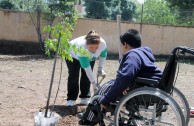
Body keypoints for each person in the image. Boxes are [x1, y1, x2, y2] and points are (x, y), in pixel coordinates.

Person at [79, 29, 163, 125]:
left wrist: (106, 100)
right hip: (151, 85)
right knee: (111, 84)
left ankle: (88, 119)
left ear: (125, 44)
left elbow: (125, 76)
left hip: (142, 88)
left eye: (122, 45)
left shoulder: (133, 55)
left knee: (102, 92)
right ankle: (91, 114)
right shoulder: (143, 53)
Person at [65, 30, 107, 106]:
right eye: (91, 47)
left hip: (89, 57)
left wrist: (100, 68)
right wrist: (94, 83)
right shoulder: (81, 48)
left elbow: (103, 55)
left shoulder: (102, 44)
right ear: (86, 44)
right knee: (74, 75)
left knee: (86, 76)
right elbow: (87, 69)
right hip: (72, 55)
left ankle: (85, 97)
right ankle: (71, 99)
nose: (94, 49)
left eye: (96, 47)